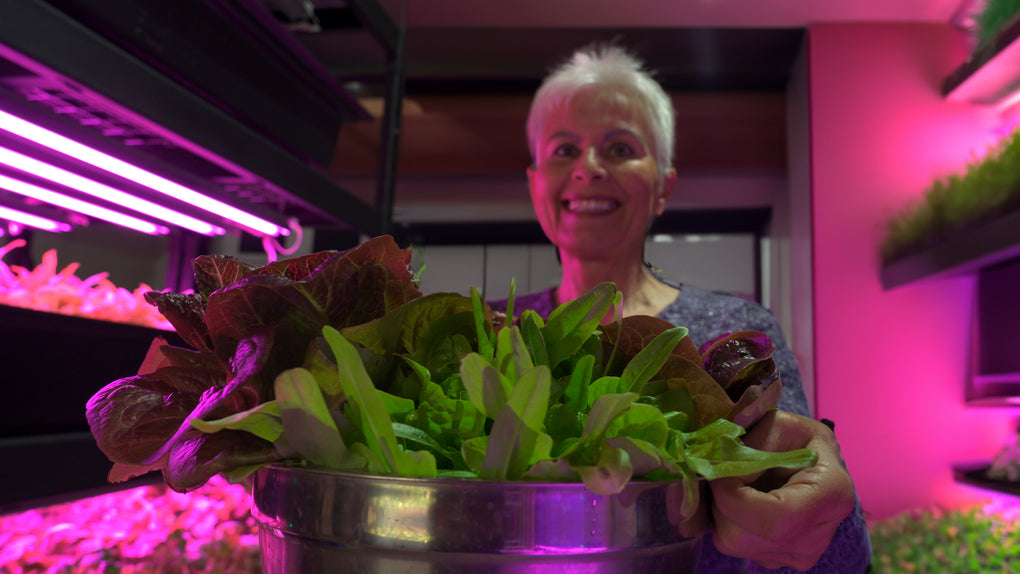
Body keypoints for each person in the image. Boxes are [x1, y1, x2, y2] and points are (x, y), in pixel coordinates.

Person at [487, 43, 872, 573]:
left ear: (663, 186)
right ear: (534, 182)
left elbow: (836, 556)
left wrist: (828, 512)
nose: (588, 168)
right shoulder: (491, 334)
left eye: (619, 148)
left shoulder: (738, 328)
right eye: (563, 150)